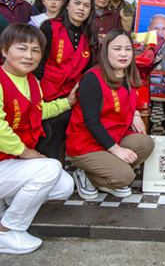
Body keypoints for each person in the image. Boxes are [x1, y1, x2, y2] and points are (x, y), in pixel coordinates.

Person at [0, 24, 75, 255]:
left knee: (64, 186)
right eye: (22, 48)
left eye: (36, 50)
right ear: (4, 50)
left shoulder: (31, 81)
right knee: (49, 169)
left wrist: (67, 102)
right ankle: (6, 231)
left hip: (6, 163)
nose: (29, 56)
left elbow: (38, 111)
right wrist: (26, 152)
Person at [66, 29, 154, 200]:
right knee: (126, 177)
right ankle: (86, 176)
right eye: (117, 49)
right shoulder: (92, 78)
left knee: (145, 143)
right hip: (87, 144)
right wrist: (116, 150)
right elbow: (91, 121)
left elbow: (129, 98)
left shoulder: (128, 74)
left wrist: (135, 113)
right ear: (105, 51)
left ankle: (108, 176)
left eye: (128, 49)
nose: (123, 54)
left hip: (115, 135)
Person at [33, 0, 98, 160]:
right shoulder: (50, 27)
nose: (81, 8)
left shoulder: (90, 34)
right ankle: (48, 167)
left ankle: (81, 165)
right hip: (47, 94)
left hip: (73, 96)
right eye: (77, 3)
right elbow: (38, 63)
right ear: (67, 4)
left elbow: (89, 70)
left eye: (86, 5)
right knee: (53, 126)